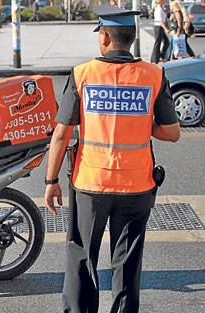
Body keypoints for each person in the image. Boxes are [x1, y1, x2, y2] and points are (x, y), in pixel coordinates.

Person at [44, 6, 180, 313]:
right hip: (137, 184)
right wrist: (144, 123)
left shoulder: (82, 74)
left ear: (104, 37)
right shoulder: (154, 75)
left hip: (91, 183)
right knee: (127, 262)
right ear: (131, 38)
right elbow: (172, 133)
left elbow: (61, 134)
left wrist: (51, 181)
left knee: (82, 256)